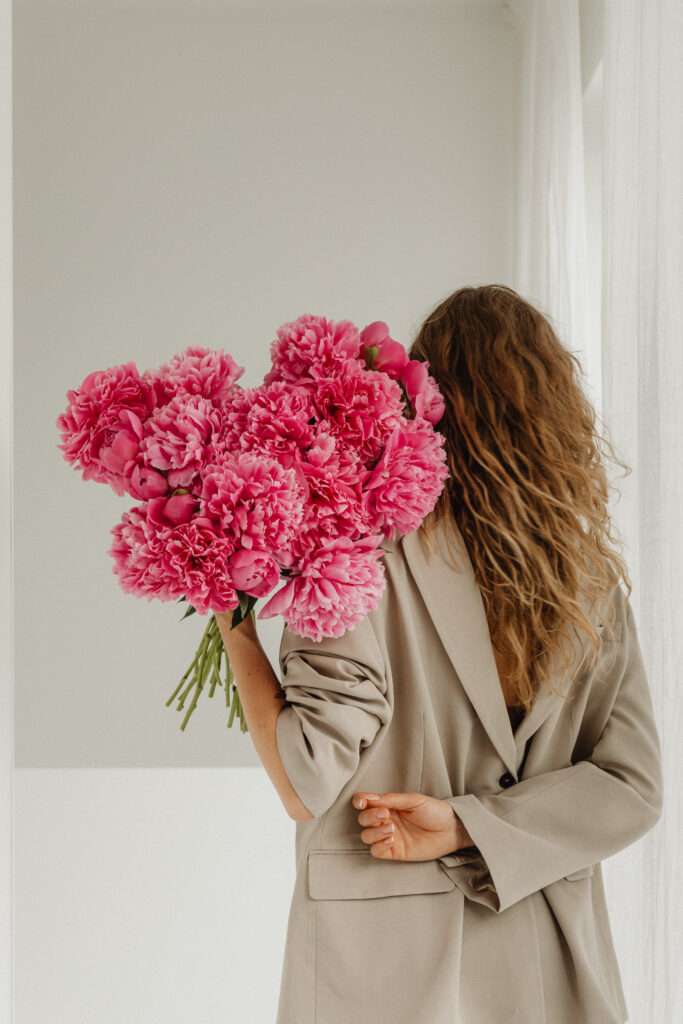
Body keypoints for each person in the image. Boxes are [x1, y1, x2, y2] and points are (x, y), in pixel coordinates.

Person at [216, 284, 663, 1024]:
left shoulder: (356, 556)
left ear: (426, 400)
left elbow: (304, 782)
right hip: (544, 946)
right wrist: (474, 828)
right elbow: (628, 787)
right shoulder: (589, 581)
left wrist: (228, 616)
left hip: (382, 955)